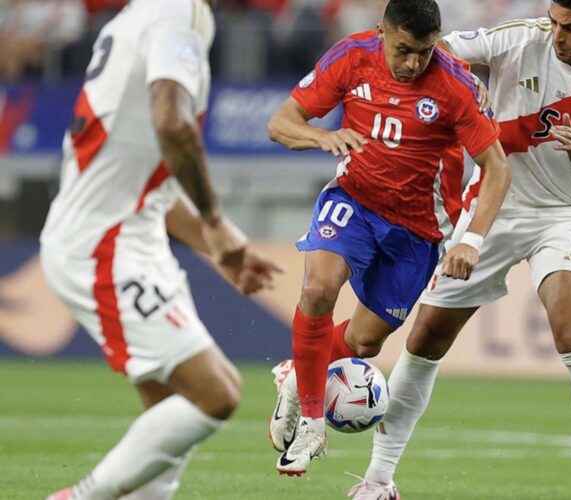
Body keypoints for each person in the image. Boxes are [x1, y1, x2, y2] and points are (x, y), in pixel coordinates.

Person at [350, 0, 571, 498]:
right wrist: (464, 77)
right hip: (490, 209)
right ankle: (378, 480)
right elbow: (440, 48)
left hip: (562, 215)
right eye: (555, 22)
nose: (557, 35)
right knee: (424, 339)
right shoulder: (522, 37)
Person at [41, 0, 283, 498]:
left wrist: (220, 246)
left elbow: (146, 180)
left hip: (129, 235)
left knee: (170, 409)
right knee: (216, 392)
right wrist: (215, 223)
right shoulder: (179, 11)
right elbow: (172, 122)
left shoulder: (140, 17)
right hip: (104, 244)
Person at [266, 0, 511, 477]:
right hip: (354, 201)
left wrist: (471, 241)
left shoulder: (456, 85)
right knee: (317, 288)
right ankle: (314, 427)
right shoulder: (351, 56)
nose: (414, 63)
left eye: (425, 51)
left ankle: (298, 376)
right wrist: (323, 137)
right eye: (404, 50)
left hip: (419, 231)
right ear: (382, 32)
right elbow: (281, 123)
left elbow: (498, 168)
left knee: (362, 343)